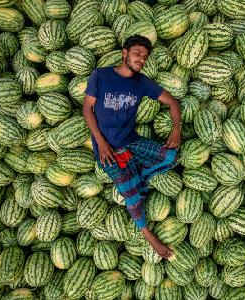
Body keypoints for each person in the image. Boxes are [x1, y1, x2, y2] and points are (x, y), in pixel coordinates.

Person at [83, 35, 181, 259]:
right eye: (138, 53)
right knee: (132, 195)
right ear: (124, 53)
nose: (142, 59)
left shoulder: (141, 82)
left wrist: (176, 129)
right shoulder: (101, 75)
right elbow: (87, 109)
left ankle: (140, 174)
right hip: (108, 150)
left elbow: (173, 103)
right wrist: (101, 142)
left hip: (131, 142)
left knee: (171, 157)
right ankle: (149, 236)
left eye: (145, 57)